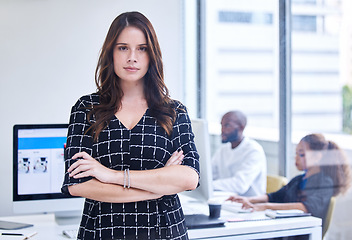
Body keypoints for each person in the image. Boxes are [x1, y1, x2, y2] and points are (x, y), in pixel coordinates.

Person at [61, 11, 199, 240]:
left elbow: (189, 178)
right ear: (111, 53)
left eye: (142, 48)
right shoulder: (86, 108)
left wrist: (110, 175)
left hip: (164, 232)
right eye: (123, 47)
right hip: (102, 232)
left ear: (152, 55)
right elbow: (77, 185)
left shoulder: (173, 112)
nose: (132, 57)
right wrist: (160, 185)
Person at [228, 133, 351, 229]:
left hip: (301, 232)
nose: (296, 158)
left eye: (301, 154)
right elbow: (275, 196)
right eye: (296, 154)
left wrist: (265, 207)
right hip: (286, 228)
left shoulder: (324, 182)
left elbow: (306, 207)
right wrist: (249, 200)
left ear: (317, 156)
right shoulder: (299, 180)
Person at [211, 110, 267, 196]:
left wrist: (209, 185)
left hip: (249, 204)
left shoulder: (254, 151)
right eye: (221, 125)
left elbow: (240, 185)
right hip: (225, 199)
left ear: (241, 127)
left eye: (227, 125)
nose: (222, 130)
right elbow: (210, 174)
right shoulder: (223, 150)